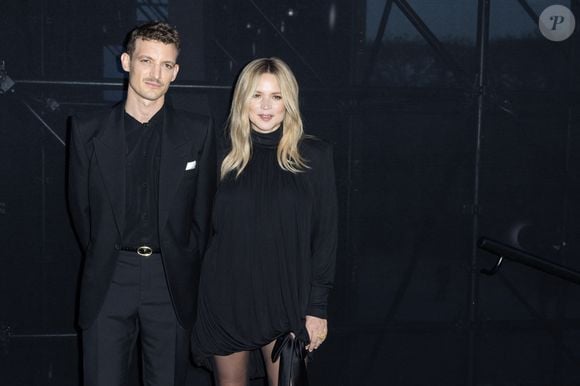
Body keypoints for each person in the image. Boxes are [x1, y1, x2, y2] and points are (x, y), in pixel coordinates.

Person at [67, 21, 216, 386]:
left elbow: (203, 215)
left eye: (166, 65)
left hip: (169, 281)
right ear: (126, 61)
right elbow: (80, 212)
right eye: (147, 61)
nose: (156, 73)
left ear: (176, 72)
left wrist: (180, 258)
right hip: (109, 277)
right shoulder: (87, 130)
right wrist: (106, 252)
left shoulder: (199, 132)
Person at [191, 57, 338, 386]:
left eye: (276, 95)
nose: (266, 106)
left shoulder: (314, 156)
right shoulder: (218, 154)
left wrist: (317, 308)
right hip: (225, 300)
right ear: (242, 99)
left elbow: (325, 238)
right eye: (256, 95)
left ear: (290, 100)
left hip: (287, 301)